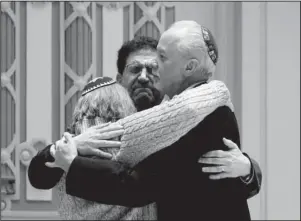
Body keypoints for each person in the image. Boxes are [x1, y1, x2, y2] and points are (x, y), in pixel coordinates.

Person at [43, 21, 261, 220]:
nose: (149, 74)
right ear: (119, 79)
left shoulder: (195, 112)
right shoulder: (101, 118)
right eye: (136, 69)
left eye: (161, 59)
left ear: (189, 67)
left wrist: (73, 164)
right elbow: (40, 171)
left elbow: (137, 186)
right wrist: (65, 149)